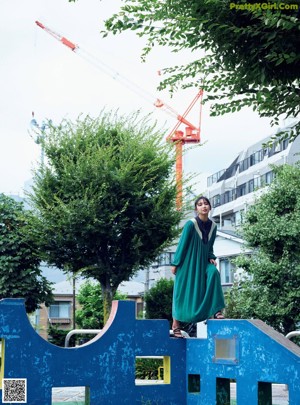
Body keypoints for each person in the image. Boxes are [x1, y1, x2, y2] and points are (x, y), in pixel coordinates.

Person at [171, 196, 225, 338]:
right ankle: (176, 324)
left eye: (206, 204)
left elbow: (210, 246)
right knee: (181, 292)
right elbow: (182, 244)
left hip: (203, 262)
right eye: (200, 204)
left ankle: (217, 310)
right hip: (188, 263)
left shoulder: (213, 226)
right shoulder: (190, 224)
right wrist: (176, 263)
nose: (203, 206)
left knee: (213, 272)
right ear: (196, 209)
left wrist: (211, 257)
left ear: (210, 207)